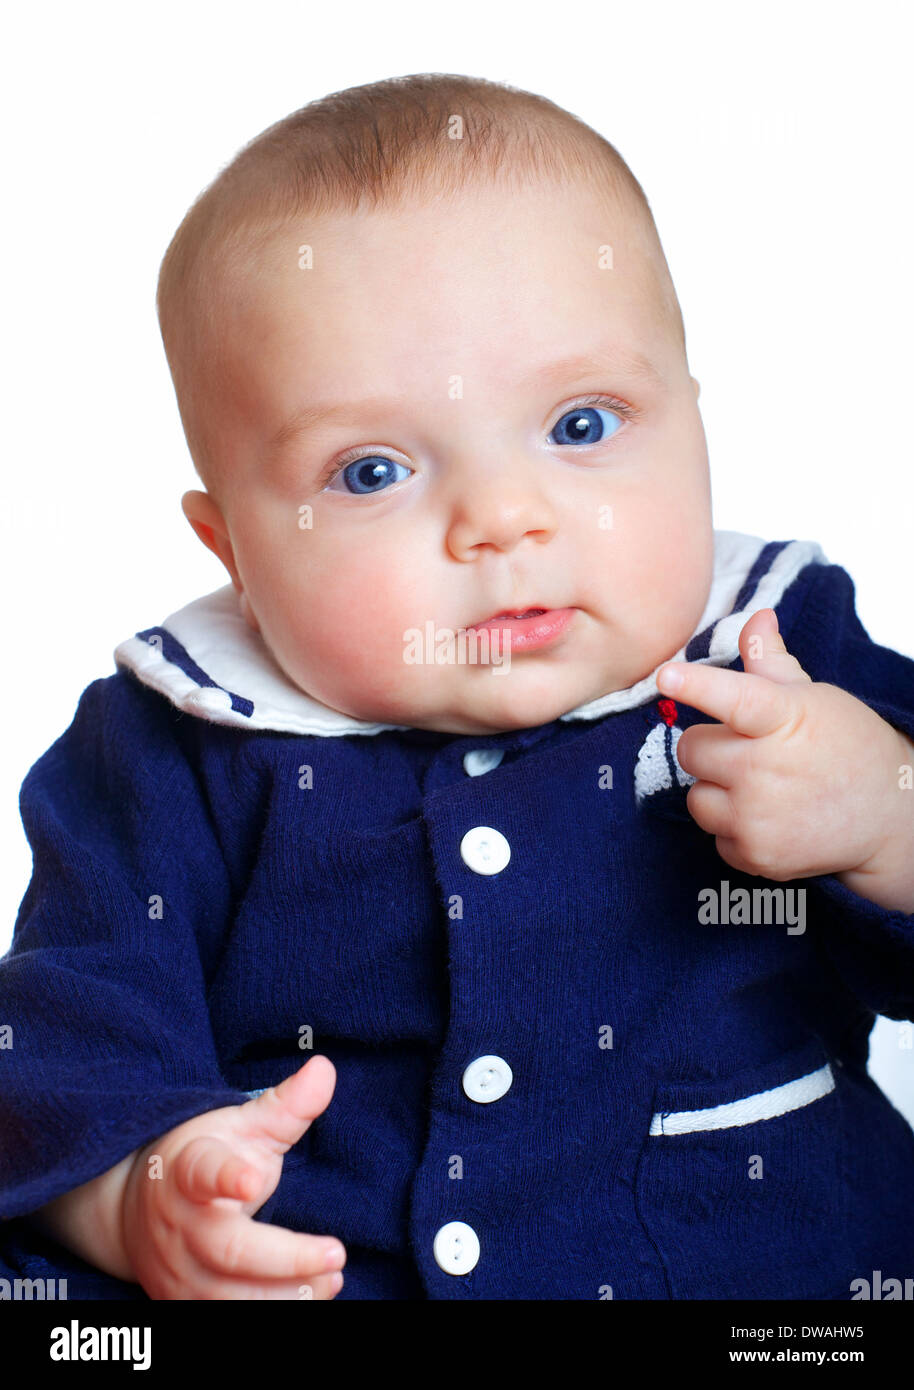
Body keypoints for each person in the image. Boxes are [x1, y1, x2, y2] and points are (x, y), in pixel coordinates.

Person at [2, 72, 913, 1301]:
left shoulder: (774, 651)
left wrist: (879, 817)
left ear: (693, 421)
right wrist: (139, 1196)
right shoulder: (174, 745)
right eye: (370, 469)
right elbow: (68, 1029)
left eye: (581, 425)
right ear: (234, 551)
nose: (500, 519)